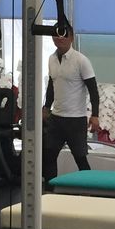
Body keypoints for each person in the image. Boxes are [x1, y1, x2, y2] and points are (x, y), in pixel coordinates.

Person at [42, 27, 99, 186]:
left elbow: (93, 90)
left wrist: (95, 115)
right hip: (56, 118)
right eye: (56, 35)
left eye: (64, 35)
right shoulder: (51, 59)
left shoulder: (81, 60)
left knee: (80, 158)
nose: (59, 38)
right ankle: (51, 190)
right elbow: (52, 86)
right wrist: (46, 107)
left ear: (71, 38)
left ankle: (89, 190)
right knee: (49, 156)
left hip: (76, 120)